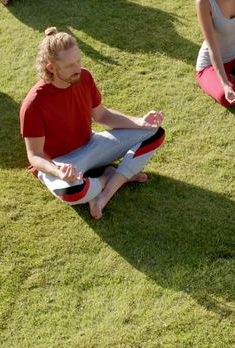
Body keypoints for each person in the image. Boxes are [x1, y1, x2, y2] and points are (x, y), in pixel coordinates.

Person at [20, 28, 165, 219]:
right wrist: (59, 171)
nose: (78, 68)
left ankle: (105, 192)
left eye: (79, 60)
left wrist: (139, 122)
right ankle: (110, 175)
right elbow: (35, 155)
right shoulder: (33, 104)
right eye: (70, 65)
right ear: (51, 68)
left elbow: (102, 115)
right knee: (72, 192)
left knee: (154, 132)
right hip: (61, 163)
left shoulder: (84, 77)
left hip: (91, 145)